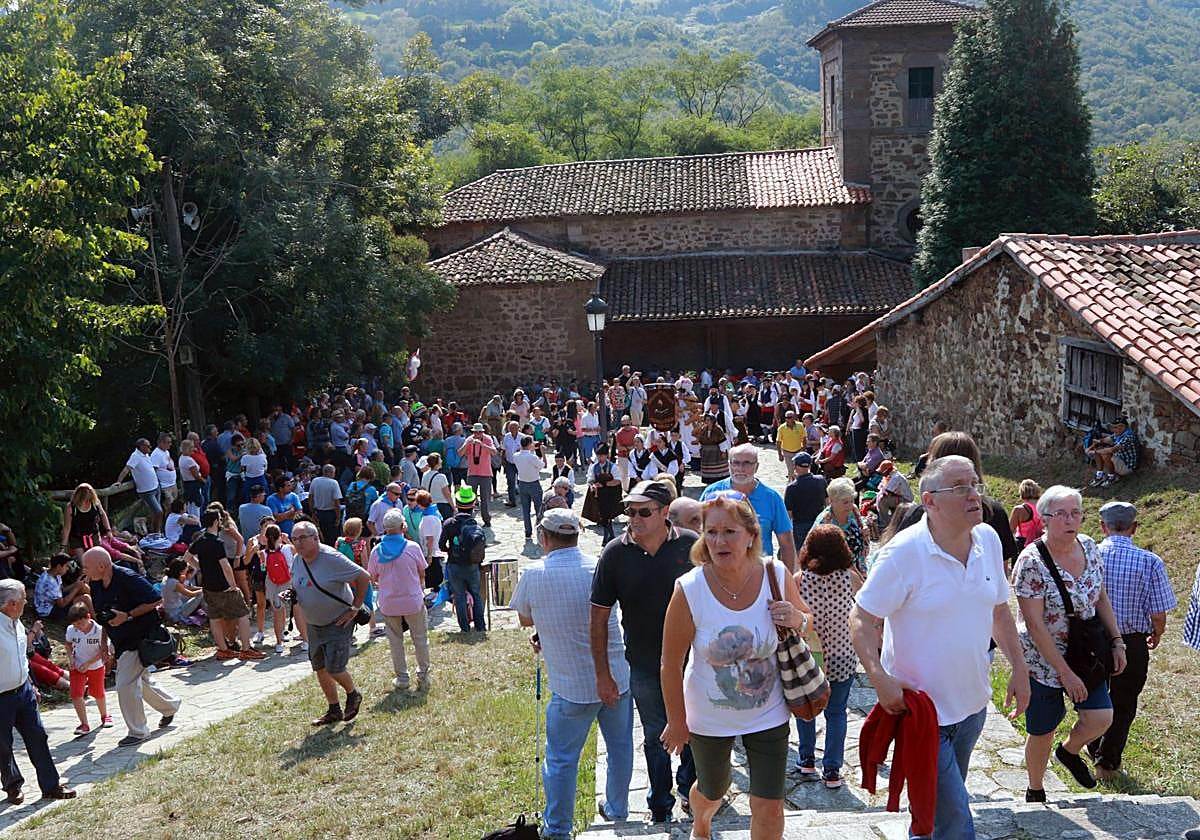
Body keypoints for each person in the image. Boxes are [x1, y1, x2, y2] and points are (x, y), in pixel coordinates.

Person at [850, 455, 1029, 839]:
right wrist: (879, 678)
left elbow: (999, 609)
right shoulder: (904, 554)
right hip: (923, 715)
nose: (974, 495)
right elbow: (862, 618)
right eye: (960, 487)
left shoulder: (988, 539)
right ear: (929, 501)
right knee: (956, 823)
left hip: (973, 707)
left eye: (975, 484)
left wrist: (1019, 666)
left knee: (934, 811)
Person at [660, 492, 809, 840]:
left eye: (729, 531)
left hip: (768, 710)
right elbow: (670, 661)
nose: (718, 540)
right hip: (709, 716)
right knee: (713, 789)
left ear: (751, 536)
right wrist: (677, 720)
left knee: (769, 805)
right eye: (711, 532)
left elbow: (808, 621)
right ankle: (701, 823)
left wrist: (797, 618)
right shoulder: (690, 589)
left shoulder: (775, 573)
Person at [511, 508, 634, 839]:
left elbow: (525, 618)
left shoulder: (534, 574)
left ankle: (558, 828)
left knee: (563, 760)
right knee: (620, 746)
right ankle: (618, 808)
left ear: (544, 537)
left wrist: (547, 627)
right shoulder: (598, 565)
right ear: (577, 535)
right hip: (616, 676)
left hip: (571, 684)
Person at [591, 480, 697, 823]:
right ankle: (660, 803)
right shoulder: (614, 553)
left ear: (665, 513)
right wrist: (602, 673)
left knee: (696, 729)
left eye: (643, 512)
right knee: (655, 735)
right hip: (645, 663)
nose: (633, 518)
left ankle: (691, 789)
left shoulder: (691, 547)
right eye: (629, 511)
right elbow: (598, 616)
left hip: (693, 662)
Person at [1012, 484, 1126, 798]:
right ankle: (1035, 789)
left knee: (1101, 716)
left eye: (1075, 512)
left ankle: (1070, 751)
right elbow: (1035, 625)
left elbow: (1100, 595)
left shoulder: (1090, 546)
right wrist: (1064, 673)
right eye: (1060, 513)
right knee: (1042, 729)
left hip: (1086, 651)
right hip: (1044, 660)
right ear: (1044, 518)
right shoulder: (1031, 562)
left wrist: (1117, 641)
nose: (1069, 519)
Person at [1086, 500, 1177, 781]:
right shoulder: (1150, 561)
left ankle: (1092, 744)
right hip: (1133, 640)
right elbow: (1158, 612)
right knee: (1124, 703)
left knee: (1093, 696)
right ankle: (1106, 763)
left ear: (1103, 526)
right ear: (1135, 528)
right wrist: (1157, 632)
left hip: (1093, 639)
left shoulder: (1088, 556)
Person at [83, 547, 183, 746]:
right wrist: (104, 643)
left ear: (102, 566)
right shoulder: (95, 584)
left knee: (125, 684)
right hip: (120, 640)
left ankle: (138, 732)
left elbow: (156, 600)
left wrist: (127, 616)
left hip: (140, 637)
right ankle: (170, 707)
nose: (84, 570)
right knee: (142, 681)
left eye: (87, 566)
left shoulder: (128, 578)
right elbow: (103, 616)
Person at [792, 525, 861, 787]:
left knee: (807, 709)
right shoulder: (850, 578)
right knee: (837, 712)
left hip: (810, 656)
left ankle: (807, 760)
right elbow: (864, 606)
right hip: (843, 653)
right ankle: (832, 769)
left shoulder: (800, 579)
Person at [0, 580, 76, 803]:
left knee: (38, 736)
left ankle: (51, 785)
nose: (27, 601)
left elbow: (21, 657)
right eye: (23, 598)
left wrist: (31, 684)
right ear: (12, 604)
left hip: (23, 691)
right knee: (3, 745)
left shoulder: (18, 623)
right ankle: (12, 785)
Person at [290, 521, 370, 725]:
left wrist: (355, 607)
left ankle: (353, 694)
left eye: (302, 538)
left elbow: (363, 576)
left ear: (315, 538)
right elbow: (299, 585)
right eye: (294, 539)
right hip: (313, 623)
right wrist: (291, 594)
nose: (297, 543)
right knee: (320, 668)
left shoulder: (331, 558)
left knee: (335, 668)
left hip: (338, 622)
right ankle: (333, 710)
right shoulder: (298, 560)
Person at [699, 443, 797, 571]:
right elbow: (697, 535)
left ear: (756, 467)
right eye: (736, 463)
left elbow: (787, 544)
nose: (740, 468)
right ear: (729, 465)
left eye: (746, 463)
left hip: (759, 573)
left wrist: (785, 581)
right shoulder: (711, 493)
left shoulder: (772, 498)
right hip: (717, 572)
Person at [184, 511, 266, 662]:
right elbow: (226, 566)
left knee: (215, 618)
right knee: (242, 614)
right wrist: (233, 585)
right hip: (224, 585)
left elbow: (187, 557)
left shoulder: (199, 540)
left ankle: (223, 650)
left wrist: (201, 567)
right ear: (216, 522)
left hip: (208, 585)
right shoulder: (217, 543)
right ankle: (246, 649)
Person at [368, 508, 431, 691]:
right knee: (419, 637)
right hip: (412, 600)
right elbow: (422, 570)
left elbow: (372, 576)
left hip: (389, 602)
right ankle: (423, 674)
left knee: (395, 641)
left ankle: (402, 678)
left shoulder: (377, 551)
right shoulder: (412, 548)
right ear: (403, 526)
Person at [438, 486, 488, 633]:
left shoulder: (449, 524)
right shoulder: (475, 526)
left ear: (457, 504)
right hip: (473, 566)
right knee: (476, 594)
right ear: (473, 505)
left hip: (454, 566)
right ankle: (480, 626)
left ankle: (464, 628)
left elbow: (441, 545)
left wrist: (451, 551)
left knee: (459, 597)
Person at [64, 602, 112, 736]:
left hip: (95, 666)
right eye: (75, 625)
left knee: (98, 693)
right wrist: (71, 659)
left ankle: (105, 715)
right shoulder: (71, 630)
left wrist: (89, 663)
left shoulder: (100, 631)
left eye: (80, 624)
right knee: (76, 694)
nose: (78, 627)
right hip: (77, 666)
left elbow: (103, 651)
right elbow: (68, 644)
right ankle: (84, 724)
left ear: (88, 617)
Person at [116, 437, 164, 532]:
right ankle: (156, 532)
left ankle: (155, 532)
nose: (150, 447)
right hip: (146, 490)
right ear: (141, 447)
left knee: (155, 513)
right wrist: (119, 481)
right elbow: (127, 469)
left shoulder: (145, 455)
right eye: (148, 446)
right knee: (159, 512)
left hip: (155, 487)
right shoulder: (135, 456)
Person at [784, 452, 827, 548]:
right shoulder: (821, 480)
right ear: (810, 465)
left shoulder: (792, 487)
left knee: (802, 554)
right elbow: (827, 503)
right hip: (819, 523)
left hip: (800, 526)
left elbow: (788, 514)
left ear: (795, 467)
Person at [459, 423, 497, 527]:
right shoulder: (469, 439)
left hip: (486, 474)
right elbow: (460, 453)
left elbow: (494, 452)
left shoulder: (488, 439)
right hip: (472, 474)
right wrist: (467, 444)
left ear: (483, 432)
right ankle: (468, 519)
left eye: (479, 432)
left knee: (485, 499)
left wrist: (482, 445)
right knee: (469, 498)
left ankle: (487, 520)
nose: (477, 434)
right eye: (475, 432)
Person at [34, 554, 93, 620]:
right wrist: (76, 588)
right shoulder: (51, 582)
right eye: (66, 566)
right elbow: (62, 604)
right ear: (59, 566)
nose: (67, 569)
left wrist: (76, 584)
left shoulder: (55, 575)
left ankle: (92, 611)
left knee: (83, 586)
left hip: (53, 602)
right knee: (85, 598)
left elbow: (61, 590)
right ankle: (95, 619)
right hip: (48, 611)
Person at [1086, 416, 1138, 487]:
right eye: (1113, 427)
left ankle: (1112, 477)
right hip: (1120, 459)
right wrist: (1096, 443)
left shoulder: (1128, 437)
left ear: (1123, 427)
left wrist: (1095, 452)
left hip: (1127, 466)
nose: (1113, 430)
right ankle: (1100, 476)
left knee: (1105, 453)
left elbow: (1113, 449)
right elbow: (1107, 439)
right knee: (1100, 450)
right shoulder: (1119, 434)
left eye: (1115, 427)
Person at [513, 435, 545, 542]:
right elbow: (542, 465)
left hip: (522, 483)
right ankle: (540, 530)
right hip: (534, 483)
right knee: (539, 509)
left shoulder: (516, 455)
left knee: (525, 510)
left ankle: (528, 531)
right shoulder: (532, 457)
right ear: (529, 444)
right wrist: (542, 452)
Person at [160, 558, 205, 624]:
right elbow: (191, 594)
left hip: (169, 608)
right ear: (180, 571)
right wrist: (204, 590)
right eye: (186, 569)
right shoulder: (175, 583)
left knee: (200, 592)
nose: (187, 570)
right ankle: (210, 613)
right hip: (175, 614)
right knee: (201, 594)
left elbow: (187, 587)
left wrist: (201, 588)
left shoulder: (166, 578)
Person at [308, 464, 343, 545]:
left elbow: (310, 498)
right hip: (331, 514)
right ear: (331, 473)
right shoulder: (334, 483)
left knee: (321, 537)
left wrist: (312, 513)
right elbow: (337, 502)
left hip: (318, 513)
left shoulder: (315, 481)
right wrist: (338, 517)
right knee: (332, 538)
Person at [874, 459, 913, 529]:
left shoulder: (895, 477)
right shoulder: (891, 475)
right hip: (898, 496)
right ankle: (890, 521)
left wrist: (871, 503)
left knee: (882, 501)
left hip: (905, 499)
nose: (882, 474)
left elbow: (886, 493)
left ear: (887, 470)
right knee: (881, 498)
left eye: (883, 472)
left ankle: (884, 525)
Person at [1009, 479, 1045, 553]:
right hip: (1040, 542)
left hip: (1023, 544)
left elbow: (1009, 530)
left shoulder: (1020, 509)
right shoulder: (1043, 507)